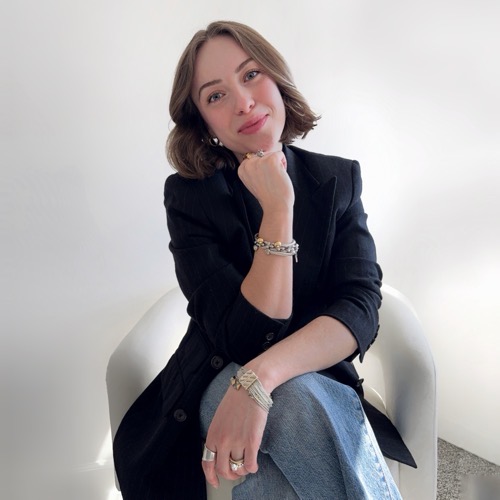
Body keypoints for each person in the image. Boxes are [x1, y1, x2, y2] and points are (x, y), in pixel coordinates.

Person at [113, 20, 416, 500]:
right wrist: (278, 210)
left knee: (281, 436)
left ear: (276, 78)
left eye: (251, 75)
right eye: (216, 95)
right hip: (217, 378)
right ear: (203, 123)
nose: (243, 102)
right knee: (288, 401)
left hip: (311, 382)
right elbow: (245, 338)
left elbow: (360, 307)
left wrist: (260, 378)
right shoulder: (190, 197)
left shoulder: (337, 179)